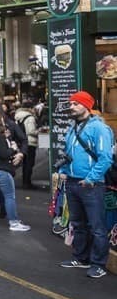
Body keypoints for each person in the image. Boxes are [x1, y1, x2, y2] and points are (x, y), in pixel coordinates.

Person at [57, 91, 114, 279]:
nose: (71, 106)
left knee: (97, 226)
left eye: (75, 103)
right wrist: (64, 172)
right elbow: (68, 153)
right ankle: (81, 258)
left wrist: (91, 178)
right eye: (71, 103)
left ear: (86, 106)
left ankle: (99, 264)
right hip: (73, 182)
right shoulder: (73, 127)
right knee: (78, 223)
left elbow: (105, 158)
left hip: (91, 185)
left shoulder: (100, 128)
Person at [15, 100, 39, 189]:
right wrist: (39, 131)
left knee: (24, 163)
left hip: (21, 142)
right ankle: (27, 182)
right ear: (30, 108)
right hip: (30, 142)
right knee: (29, 163)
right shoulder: (30, 117)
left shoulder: (17, 116)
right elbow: (31, 131)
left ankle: (25, 181)